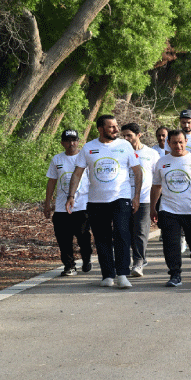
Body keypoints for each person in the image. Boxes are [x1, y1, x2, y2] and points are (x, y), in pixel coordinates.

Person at [66, 115, 142, 289]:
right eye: (111, 127)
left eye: (116, 126)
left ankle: (122, 274)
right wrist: (71, 195)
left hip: (121, 198)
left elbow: (137, 172)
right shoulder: (89, 148)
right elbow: (77, 173)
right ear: (100, 129)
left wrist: (136, 196)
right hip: (96, 201)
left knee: (122, 234)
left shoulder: (124, 146)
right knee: (102, 238)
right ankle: (108, 274)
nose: (116, 130)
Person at [150, 130, 191, 287]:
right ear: (168, 143)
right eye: (174, 142)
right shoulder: (162, 162)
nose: (178, 145)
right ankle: (175, 273)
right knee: (171, 243)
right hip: (169, 209)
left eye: (181, 142)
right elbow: (156, 186)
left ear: (186, 141)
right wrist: (153, 207)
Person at [44, 129, 92, 276]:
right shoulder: (57, 160)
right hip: (61, 207)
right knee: (63, 238)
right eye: (68, 141)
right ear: (62, 143)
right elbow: (52, 181)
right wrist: (47, 203)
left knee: (83, 237)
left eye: (74, 140)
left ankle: (86, 258)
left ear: (79, 142)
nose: (71, 143)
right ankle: (69, 266)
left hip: (82, 204)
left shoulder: (85, 159)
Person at [120, 123, 160, 278]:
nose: (126, 138)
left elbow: (157, 179)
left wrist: (155, 202)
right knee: (127, 232)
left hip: (144, 198)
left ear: (139, 135)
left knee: (141, 231)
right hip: (123, 198)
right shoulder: (121, 152)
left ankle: (138, 262)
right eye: (123, 136)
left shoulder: (151, 154)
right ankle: (140, 257)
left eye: (129, 135)